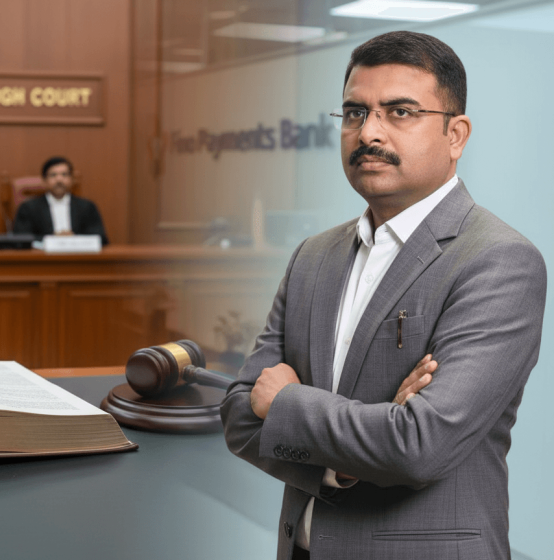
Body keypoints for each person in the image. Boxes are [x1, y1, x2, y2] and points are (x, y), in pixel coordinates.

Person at [221, 31, 546, 560]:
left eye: (399, 112)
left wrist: (286, 403)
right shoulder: (314, 255)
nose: (368, 132)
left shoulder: (499, 260)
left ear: (456, 134)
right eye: (353, 113)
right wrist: (347, 462)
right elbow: (238, 415)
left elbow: (419, 446)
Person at [12, 156, 109, 245]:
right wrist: (53, 238)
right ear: (44, 181)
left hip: (78, 259)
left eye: (64, 174)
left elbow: (101, 238)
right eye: (53, 175)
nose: (59, 179)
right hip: (42, 260)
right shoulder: (28, 208)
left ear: (72, 180)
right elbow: (20, 239)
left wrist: (74, 238)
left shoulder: (87, 207)